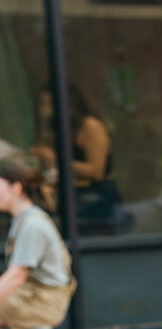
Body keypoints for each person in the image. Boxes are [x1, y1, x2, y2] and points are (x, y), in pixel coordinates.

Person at [31, 85, 128, 235]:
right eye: (42, 105)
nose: (45, 111)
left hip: (96, 200)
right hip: (72, 198)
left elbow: (97, 171)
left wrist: (56, 159)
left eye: (49, 105)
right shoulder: (61, 128)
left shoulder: (90, 127)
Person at [0, 159, 75, 329]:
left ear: (16, 188)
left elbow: (17, 276)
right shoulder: (23, 221)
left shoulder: (32, 225)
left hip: (41, 303)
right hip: (31, 297)